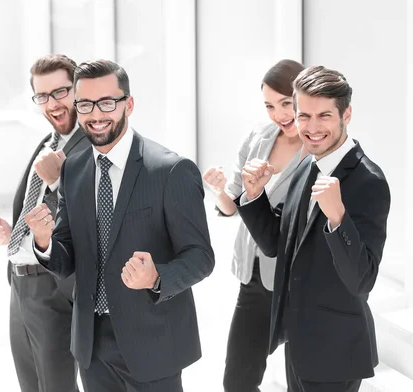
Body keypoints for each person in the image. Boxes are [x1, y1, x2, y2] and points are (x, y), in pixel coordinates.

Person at [26, 59, 215, 392]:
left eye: (107, 103)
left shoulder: (171, 170)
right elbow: (68, 255)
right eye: (85, 104)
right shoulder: (74, 169)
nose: (96, 114)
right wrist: (44, 242)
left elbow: (200, 257)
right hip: (91, 345)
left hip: (153, 342)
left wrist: (157, 276)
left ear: (129, 104)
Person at [236, 65, 391, 392]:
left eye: (324, 116)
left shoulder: (369, 182)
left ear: (346, 114)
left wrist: (337, 219)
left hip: (337, 352)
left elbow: (363, 280)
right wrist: (254, 195)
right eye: (304, 116)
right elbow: (277, 244)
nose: (312, 127)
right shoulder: (307, 164)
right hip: (299, 344)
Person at [0, 54, 90, 392]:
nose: (53, 104)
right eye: (42, 96)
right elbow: (37, 208)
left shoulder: (92, 143)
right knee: (31, 385)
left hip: (54, 284)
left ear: (78, 90)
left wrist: (60, 181)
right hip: (21, 285)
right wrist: (13, 233)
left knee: (56, 385)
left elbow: (94, 213)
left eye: (60, 92)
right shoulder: (48, 142)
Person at [203, 59, 305, 392]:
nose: (279, 114)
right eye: (270, 106)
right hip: (255, 278)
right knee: (237, 381)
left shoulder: (318, 146)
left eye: (286, 103)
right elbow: (232, 206)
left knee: (303, 381)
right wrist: (218, 190)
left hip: (298, 282)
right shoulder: (259, 136)